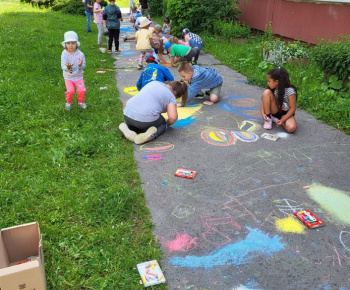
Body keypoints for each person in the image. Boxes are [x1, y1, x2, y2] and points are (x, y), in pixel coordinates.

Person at [119, 81, 188, 144]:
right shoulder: (171, 96)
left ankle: (128, 129)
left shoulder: (154, 83)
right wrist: (168, 123)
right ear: (175, 94)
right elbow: (173, 117)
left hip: (127, 114)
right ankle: (149, 135)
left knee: (138, 119)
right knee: (162, 123)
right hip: (143, 120)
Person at [260, 67, 297, 133]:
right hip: (275, 110)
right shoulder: (272, 88)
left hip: (286, 114)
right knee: (266, 92)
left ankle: (277, 120)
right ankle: (269, 118)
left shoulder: (290, 91)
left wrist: (283, 120)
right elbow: (264, 102)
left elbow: (292, 108)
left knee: (291, 128)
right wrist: (263, 113)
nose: (267, 83)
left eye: (269, 81)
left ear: (276, 82)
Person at [60, 31, 87, 110]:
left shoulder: (80, 54)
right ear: (65, 44)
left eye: (73, 43)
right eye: (68, 43)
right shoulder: (64, 54)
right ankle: (69, 103)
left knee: (81, 90)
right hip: (68, 77)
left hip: (78, 76)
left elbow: (83, 66)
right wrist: (67, 67)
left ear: (77, 44)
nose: (71, 45)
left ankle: (80, 103)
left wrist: (80, 65)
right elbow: (63, 66)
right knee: (70, 91)